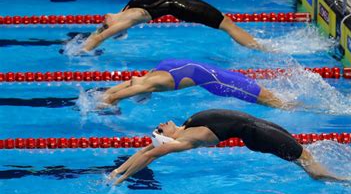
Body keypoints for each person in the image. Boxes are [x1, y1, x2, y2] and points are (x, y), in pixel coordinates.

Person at [108, 109, 344, 185]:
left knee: (307, 158)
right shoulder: (188, 138)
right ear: (165, 139)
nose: (160, 124)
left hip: (259, 126)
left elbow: (146, 150)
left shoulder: (187, 125)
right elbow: (152, 154)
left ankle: (337, 176)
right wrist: (122, 177)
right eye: (159, 130)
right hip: (259, 133)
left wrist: (117, 170)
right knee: (310, 164)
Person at [82, 0, 261, 52]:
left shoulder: (127, 7)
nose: (103, 21)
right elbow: (100, 38)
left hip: (180, 1)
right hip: (184, 8)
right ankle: (259, 47)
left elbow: (98, 34)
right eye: (105, 24)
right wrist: (83, 51)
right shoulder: (127, 19)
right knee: (227, 25)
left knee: (226, 22)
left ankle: (256, 44)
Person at [99, 59, 292, 109]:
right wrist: (109, 92)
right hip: (219, 73)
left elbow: (133, 89)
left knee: (274, 103)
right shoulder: (154, 71)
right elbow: (130, 84)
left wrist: (110, 100)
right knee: (268, 94)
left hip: (221, 82)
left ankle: (309, 108)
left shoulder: (153, 84)